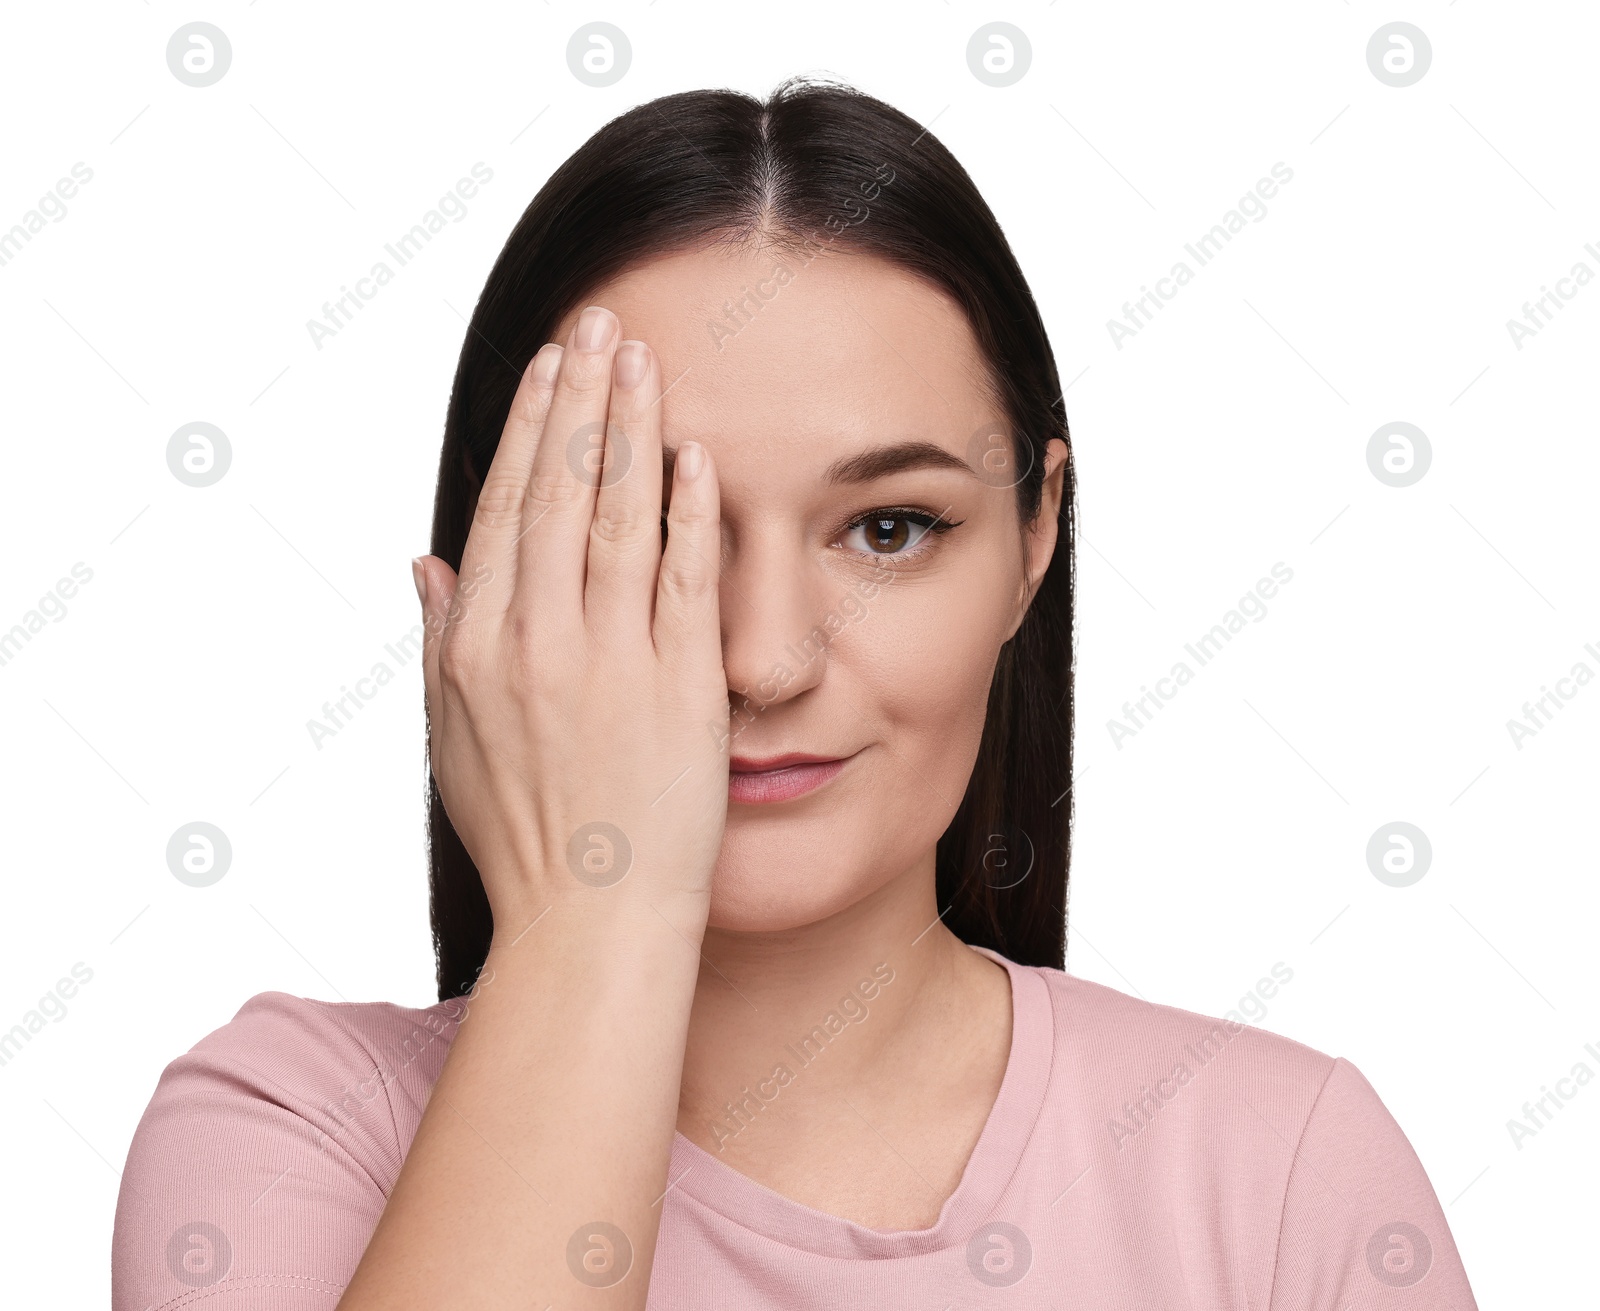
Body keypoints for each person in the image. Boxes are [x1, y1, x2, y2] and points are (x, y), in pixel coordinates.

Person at [112, 76, 1478, 1310]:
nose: (765, 661)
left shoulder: (1282, 1168)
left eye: (890, 529)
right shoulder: (286, 1133)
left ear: (1035, 540)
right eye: (647, 528)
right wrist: (599, 904)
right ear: (494, 585)